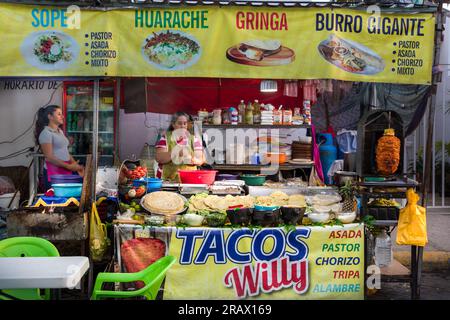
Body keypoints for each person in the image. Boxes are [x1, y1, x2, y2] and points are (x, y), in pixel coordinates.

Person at [35, 105, 84, 191]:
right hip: (54, 173)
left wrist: (75, 165)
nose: (62, 116)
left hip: (65, 170)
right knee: (56, 200)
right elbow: (49, 157)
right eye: (59, 114)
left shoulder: (60, 131)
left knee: (67, 199)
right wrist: (69, 167)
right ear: (50, 116)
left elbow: (65, 151)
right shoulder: (46, 133)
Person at [155, 111, 204, 181]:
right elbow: (159, 158)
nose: (183, 126)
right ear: (173, 124)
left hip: (188, 180)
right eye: (179, 123)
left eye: (185, 123)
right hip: (167, 181)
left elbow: (201, 159)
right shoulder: (165, 138)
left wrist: (191, 159)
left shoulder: (194, 139)